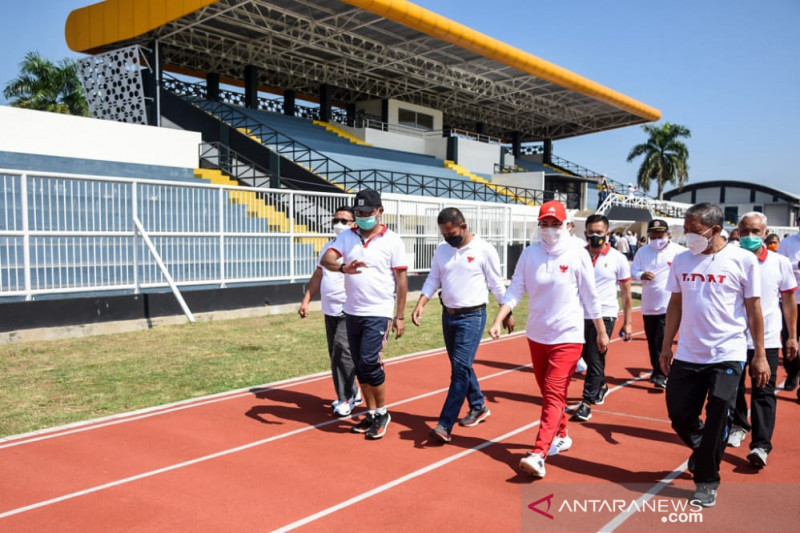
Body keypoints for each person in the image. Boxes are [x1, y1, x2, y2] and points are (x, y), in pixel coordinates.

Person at [660, 202, 769, 507]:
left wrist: (759, 353)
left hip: (728, 352)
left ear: (716, 230)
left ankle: (707, 479)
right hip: (689, 353)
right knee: (679, 414)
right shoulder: (682, 260)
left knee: (719, 413)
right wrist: (667, 345)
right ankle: (702, 447)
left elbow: (754, 308)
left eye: (694, 230)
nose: (688, 235)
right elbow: (676, 303)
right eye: (686, 229)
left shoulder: (742, 260)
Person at [488, 200, 608, 479]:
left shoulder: (578, 254)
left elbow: (590, 297)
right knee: (548, 392)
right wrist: (498, 318)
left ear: (568, 226)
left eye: (556, 224)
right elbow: (516, 289)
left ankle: (539, 454)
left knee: (553, 394)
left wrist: (601, 331)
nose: (550, 229)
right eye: (545, 224)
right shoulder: (530, 255)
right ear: (539, 225)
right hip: (537, 335)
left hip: (568, 336)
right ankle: (562, 434)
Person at [411, 208, 515, 443]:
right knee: (462, 366)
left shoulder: (484, 250)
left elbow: (497, 284)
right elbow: (433, 279)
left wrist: (507, 311)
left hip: (473, 316)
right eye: (444, 234)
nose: (448, 238)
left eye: (451, 233)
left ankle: (444, 425)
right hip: (448, 315)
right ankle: (478, 405)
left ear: (464, 227)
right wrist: (421, 303)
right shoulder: (442, 251)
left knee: (459, 370)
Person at [320, 188, 408, 440]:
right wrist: (342, 267)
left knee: (370, 362)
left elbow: (401, 280)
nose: (361, 217)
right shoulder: (348, 236)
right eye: (357, 213)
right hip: (352, 311)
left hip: (378, 312)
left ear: (379, 211)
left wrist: (399, 316)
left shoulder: (392, 240)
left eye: (366, 212)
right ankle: (370, 413)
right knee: (359, 366)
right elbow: (327, 258)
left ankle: (382, 412)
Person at [727, 212, 797, 468]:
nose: (749, 236)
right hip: (733, 337)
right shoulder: (731, 259)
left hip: (766, 340)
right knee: (730, 389)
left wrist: (791, 336)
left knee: (763, 391)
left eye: (755, 232)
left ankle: (761, 446)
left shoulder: (780, 263)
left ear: (765, 233)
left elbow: (788, 300)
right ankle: (738, 424)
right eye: (744, 231)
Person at [299, 206, 361, 416]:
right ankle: (354, 391)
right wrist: (307, 299)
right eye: (336, 220)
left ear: (354, 224)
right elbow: (318, 276)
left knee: (341, 352)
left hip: (348, 308)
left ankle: (346, 397)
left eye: (344, 221)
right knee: (336, 353)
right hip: (329, 309)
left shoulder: (356, 247)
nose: (338, 224)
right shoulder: (329, 247)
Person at [572, 214, 633, 421]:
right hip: (580, 313)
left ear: (607, 234)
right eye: (591, 232)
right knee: (584, 355)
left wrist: (628, 322)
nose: (595, 236)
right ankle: (602, 385)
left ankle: (586, 403)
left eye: (599, 232)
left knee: (596, 356)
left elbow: (626, 293)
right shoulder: (577, 255)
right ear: (585, 233)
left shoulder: (618, 258)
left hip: (605, 314)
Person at [631, 219, 687, 389]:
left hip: (669, 305)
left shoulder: (679, 252)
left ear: (667, 234)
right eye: (653, 234)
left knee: (662, 340)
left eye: (660, 234)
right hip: (649, 304)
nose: (656, 237)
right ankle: (658, 370)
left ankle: (661, 374)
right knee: (652, 341)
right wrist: (641, 275)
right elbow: (633, 271)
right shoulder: (643, 252)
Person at [777, 228, 800, 393]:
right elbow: (778, 267)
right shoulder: (787, 243)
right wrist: (796, 265)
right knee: (788, 339)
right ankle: (792, 372)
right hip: (791, 299)